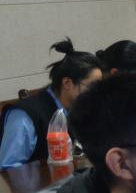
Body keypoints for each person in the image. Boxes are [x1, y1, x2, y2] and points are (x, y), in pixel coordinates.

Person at [0, 38, 102, 168]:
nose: (97, 93)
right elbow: (7, 169)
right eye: (92, 86)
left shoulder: (78, 110)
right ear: (67, 83)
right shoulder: (25, 116)